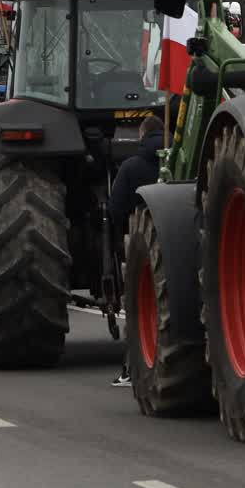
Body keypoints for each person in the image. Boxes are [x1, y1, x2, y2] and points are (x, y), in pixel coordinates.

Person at [108, 113, 165, 387]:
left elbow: (116, 208)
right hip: (176, 240)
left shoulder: (131, 167)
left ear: (142, 135)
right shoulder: (177, 161)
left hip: (141, 242)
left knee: (138, 306)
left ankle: (131, 369)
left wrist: (122, 238)